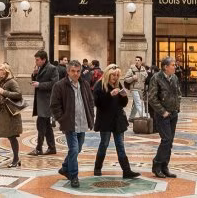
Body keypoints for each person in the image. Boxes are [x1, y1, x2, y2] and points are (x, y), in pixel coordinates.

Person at [50, 59, 94, 187]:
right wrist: (62, 118)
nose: (76, 74)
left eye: (78, 71)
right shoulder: (60, 85)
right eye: (73, 71)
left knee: (77, 149)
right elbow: (54, 105)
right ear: (68, 71)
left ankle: (64, 167)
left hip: (83, 122)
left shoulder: (84, 84)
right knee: (73, 149)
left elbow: (90, 101)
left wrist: (91, 115)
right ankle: (74, 176)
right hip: (69, 123)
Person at [93, 65, 140, 179]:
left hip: (117, 120)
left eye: (117, 75)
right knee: (104, 144)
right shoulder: (100, 85)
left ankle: (126, 171)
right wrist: (109, 95)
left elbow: (122, 104)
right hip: (105, 120)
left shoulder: (118, 84)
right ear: (108, 74)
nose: (115, 77)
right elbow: (98, 103)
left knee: (120, 145)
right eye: (113, 75)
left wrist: (124, 97)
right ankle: (97, 167)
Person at [145, 56, 181, 178]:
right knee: (166, 140)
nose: (175, 67)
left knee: (169, 141)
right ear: (165, 67)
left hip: (173, 113)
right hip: (162, 115)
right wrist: (163, 112)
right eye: (173, 65)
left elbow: (178, 93)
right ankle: (157, 165)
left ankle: (165, 166)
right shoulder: (156, 78)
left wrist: (177, 107)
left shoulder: (174, 78)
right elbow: (152, 98)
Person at [31, 49, 61, 155]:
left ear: (44, 60)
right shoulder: (39, 68)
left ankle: (39, 148)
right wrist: (34, 75)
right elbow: (37, 79)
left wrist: (40, 85)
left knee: (41, 125)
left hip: (47, 101)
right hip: (41, 101)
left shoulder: (52, 68)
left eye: (37, 60)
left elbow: (55, 84)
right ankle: (52, 148)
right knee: (47, 126)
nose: (36, 62)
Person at [121, 56, 149, 126]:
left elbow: (146, 79)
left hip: (141, 89)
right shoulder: (131, 70)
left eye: (138, 60)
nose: (137, 61)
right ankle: (143, 116)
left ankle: (131, 117)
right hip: (134, 89)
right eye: (136, 60)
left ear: (141, 61)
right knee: (138, 102)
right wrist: (132, 78)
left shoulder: (143, 70)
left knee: (136, 104)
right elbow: (126, 79)